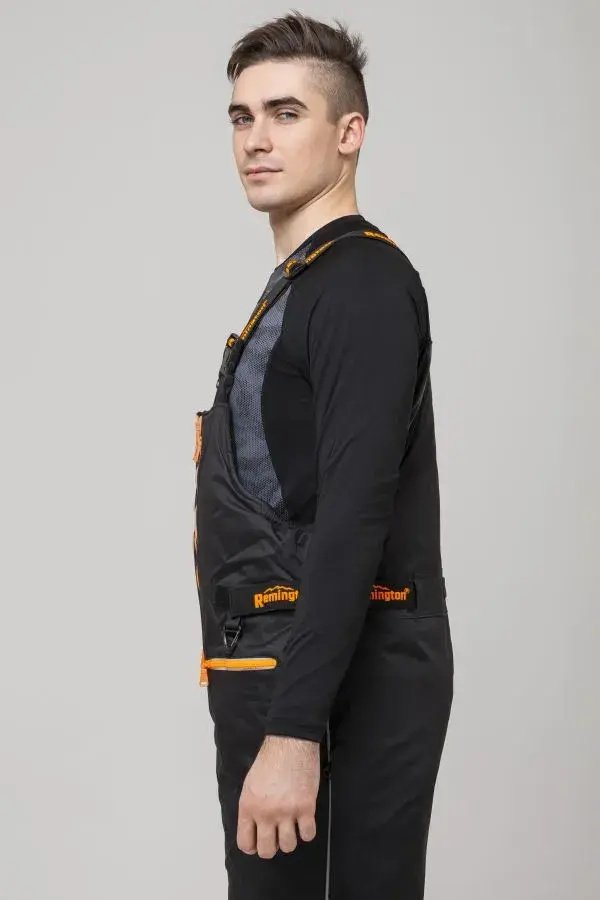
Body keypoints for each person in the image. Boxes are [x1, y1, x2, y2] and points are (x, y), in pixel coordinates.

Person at [192, 10, 454, 899]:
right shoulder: (303, 285)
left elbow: (355, 515)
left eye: (285, 113)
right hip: (284, 673)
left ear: (350, 133)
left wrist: (296, 730)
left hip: (336, 696)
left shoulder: (362, 286)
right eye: (242, 117)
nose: (256, 140)